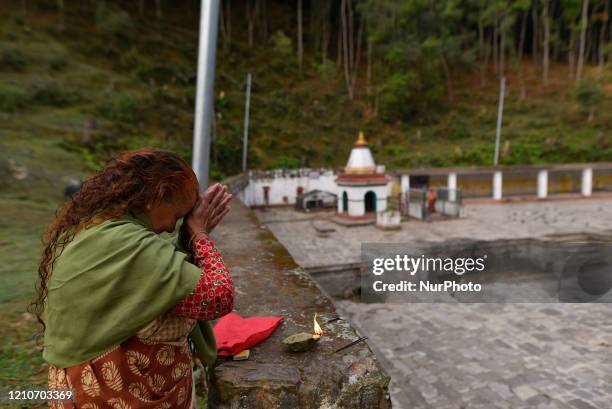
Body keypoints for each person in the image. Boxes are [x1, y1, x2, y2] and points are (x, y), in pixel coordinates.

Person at [32, 148, 235, 408]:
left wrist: (187, 237)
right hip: (105, 393)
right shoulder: (128, 244)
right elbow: (218, 295)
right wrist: (199, 235)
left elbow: (157, 267)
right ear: (158, 196)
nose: (170, 227)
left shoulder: (98, 227)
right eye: (176, 216)